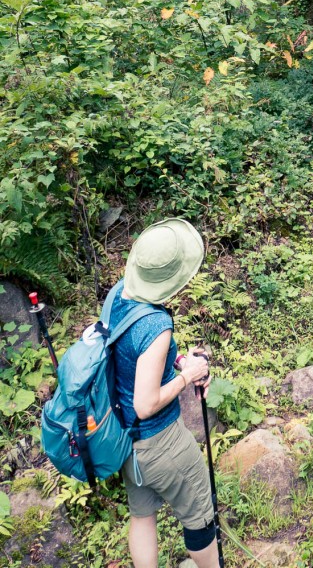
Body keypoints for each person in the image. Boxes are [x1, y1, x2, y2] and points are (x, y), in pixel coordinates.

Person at [110, 217, 218, 568]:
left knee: (142, 516)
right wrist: (188, 377)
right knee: (201, 515)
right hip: (161, 443)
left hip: (127, 443)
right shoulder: (157, 325)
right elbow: (145, 403)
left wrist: (179, 360)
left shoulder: (117, 296)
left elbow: (131, 358)